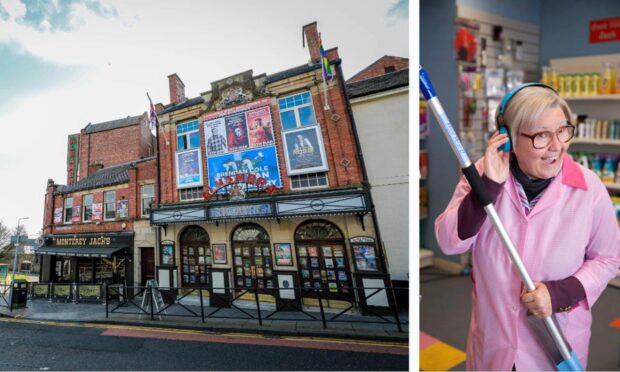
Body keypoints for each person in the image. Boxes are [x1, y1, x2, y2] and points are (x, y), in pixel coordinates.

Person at [435, 84, 620, 370]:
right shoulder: (483, 176)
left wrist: (560, 293)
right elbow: (449, 242)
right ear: (508, 139)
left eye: (563, 131)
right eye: (542, 135)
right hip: (494, 344)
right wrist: (488, 187)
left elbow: (608, 258)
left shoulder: (589, 188)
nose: (557, 145)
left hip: (555, 345)